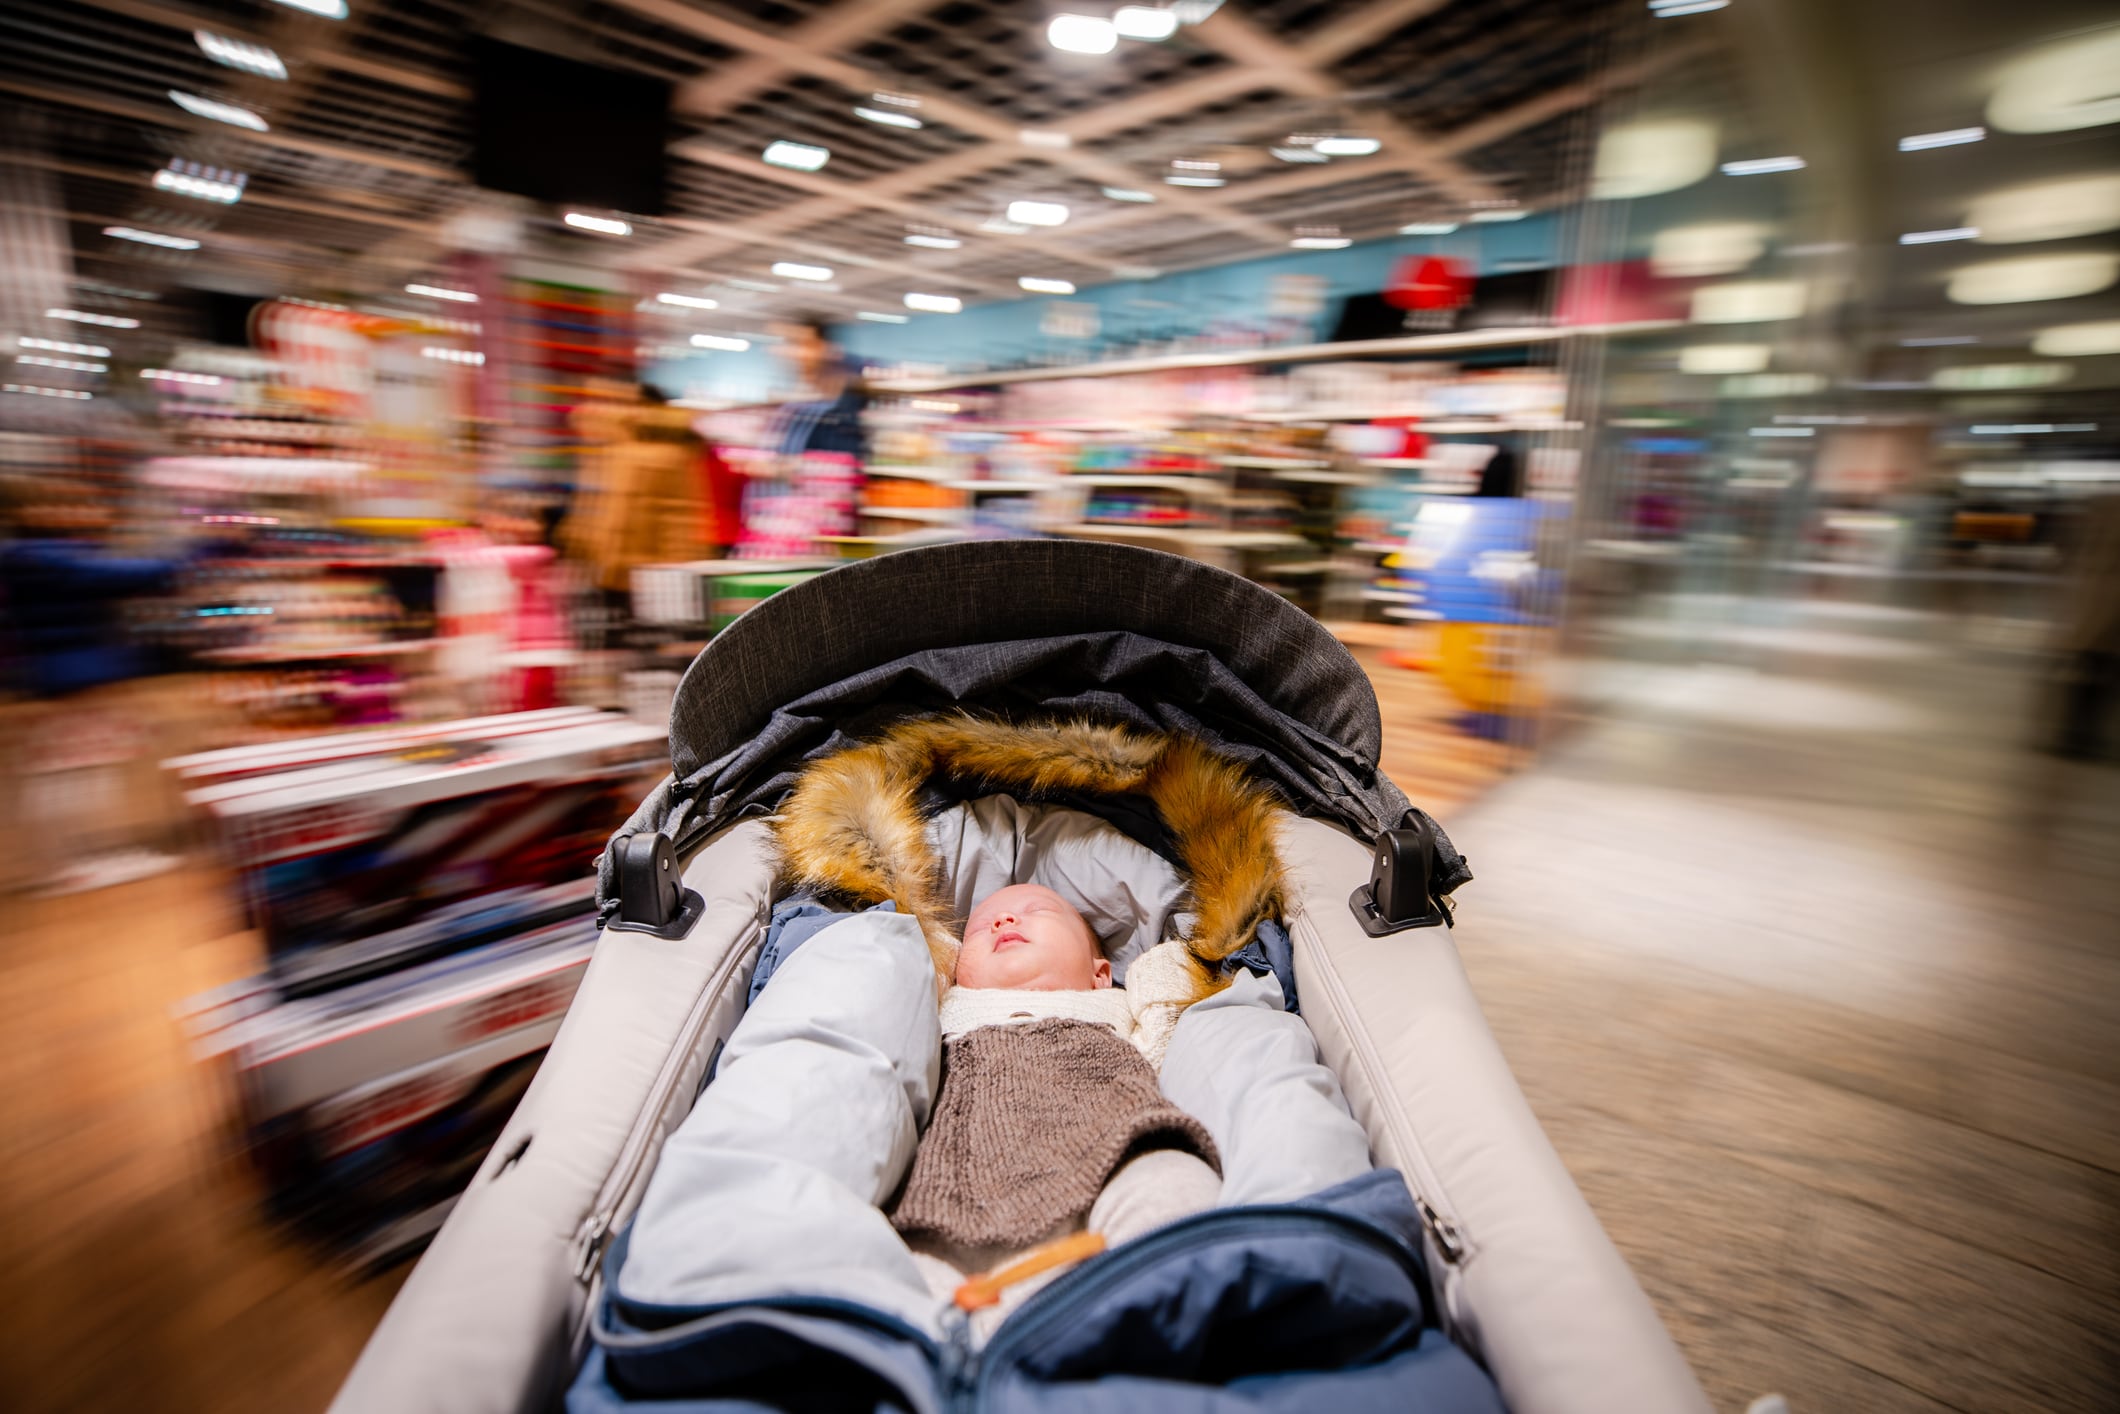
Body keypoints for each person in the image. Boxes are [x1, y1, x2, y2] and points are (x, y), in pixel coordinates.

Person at [562, 382, 711, 605]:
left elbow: (680, 518)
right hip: (611, 571)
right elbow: (595, 512)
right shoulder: (610, 453)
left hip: (649, 574)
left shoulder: (667, 455)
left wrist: (678, 569)